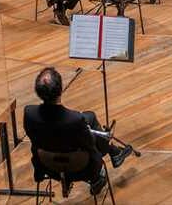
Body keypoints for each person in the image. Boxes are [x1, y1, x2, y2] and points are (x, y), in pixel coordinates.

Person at [24, 67, 132, 195]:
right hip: (81, 170)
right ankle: (101, 172)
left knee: (88, 120)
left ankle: (114, 152)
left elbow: (34, 139)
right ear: (60, 89)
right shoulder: (75, 119)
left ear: (38, 91)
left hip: (47, 167)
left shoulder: (29, 113)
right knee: (92, 123)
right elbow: (91, 146)